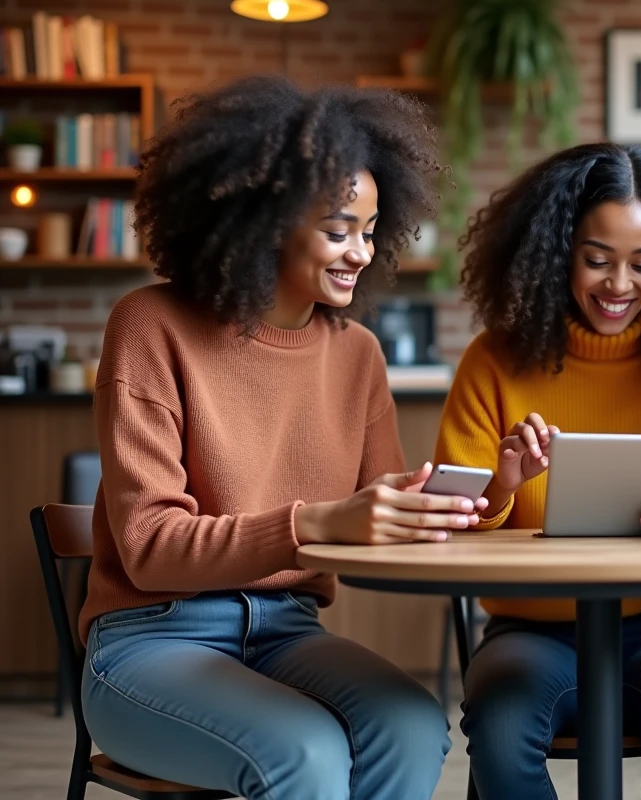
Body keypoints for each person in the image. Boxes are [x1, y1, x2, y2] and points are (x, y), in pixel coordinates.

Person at [79, 75, 478, 800]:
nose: (360, 251)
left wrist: (453, 502)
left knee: (414, 726)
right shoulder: (149, 326)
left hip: (287, 631)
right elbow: (149, 546)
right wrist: (317, 522)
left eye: (368, 229)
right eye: (337, 229)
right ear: (263, 219)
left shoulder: (357, 353)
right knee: (307, 753)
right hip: (150, 639)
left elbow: (377, 523)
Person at [434, 142, 641, 800]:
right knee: (497, 731)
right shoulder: (493, 361)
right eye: (596, 260)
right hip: (532, 629)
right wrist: (503, 484)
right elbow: (445, 524)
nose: (619, 285)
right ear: (556, 252)